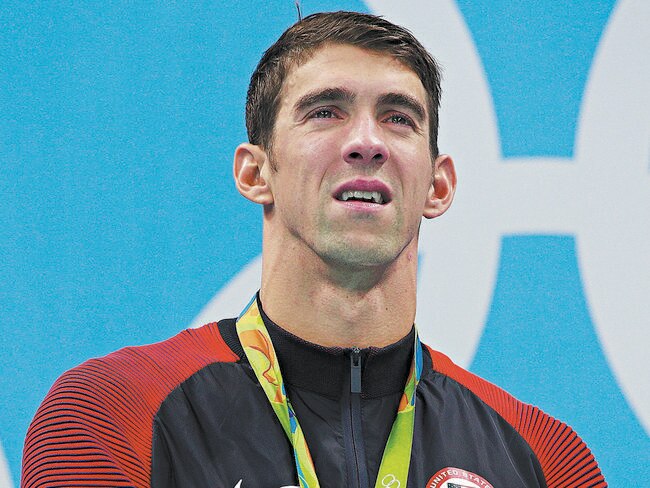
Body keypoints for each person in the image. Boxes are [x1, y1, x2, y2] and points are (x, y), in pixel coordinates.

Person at [22, 11, 606, 488]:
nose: (366, 142)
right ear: (256, 174)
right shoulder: (111, 413)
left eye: (398, 118)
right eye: (325, 112)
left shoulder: (545, 458)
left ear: (438, 185)